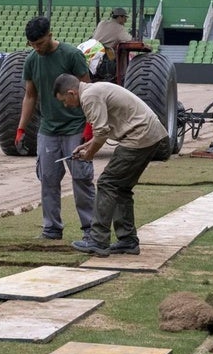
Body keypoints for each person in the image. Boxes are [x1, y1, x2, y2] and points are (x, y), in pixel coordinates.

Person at [53, 73, 168, 257]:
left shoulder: (89, 97)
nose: (66, 105)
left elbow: (101, 133)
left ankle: (98, 240)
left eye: (64, 101)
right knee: (121, 188)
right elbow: (101, 132)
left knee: (107, 183)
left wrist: (89, 155)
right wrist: (87, 146)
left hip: (138, 136)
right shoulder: (94, 90)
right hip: (149, 134)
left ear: (71, 92)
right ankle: (127, 240)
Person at [15, 16, 95, 241]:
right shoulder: (32, 60)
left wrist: (89, 127)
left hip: (75, 127)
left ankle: (91, 229)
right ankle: (51, 229)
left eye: (40, 43)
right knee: (48, 179)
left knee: (81, 178)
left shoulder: (72, 55)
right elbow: (30, 95)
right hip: (48, 130)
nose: (36, 48)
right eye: (32, 44)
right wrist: (21, 129)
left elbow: (88, 91)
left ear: (50, 35)